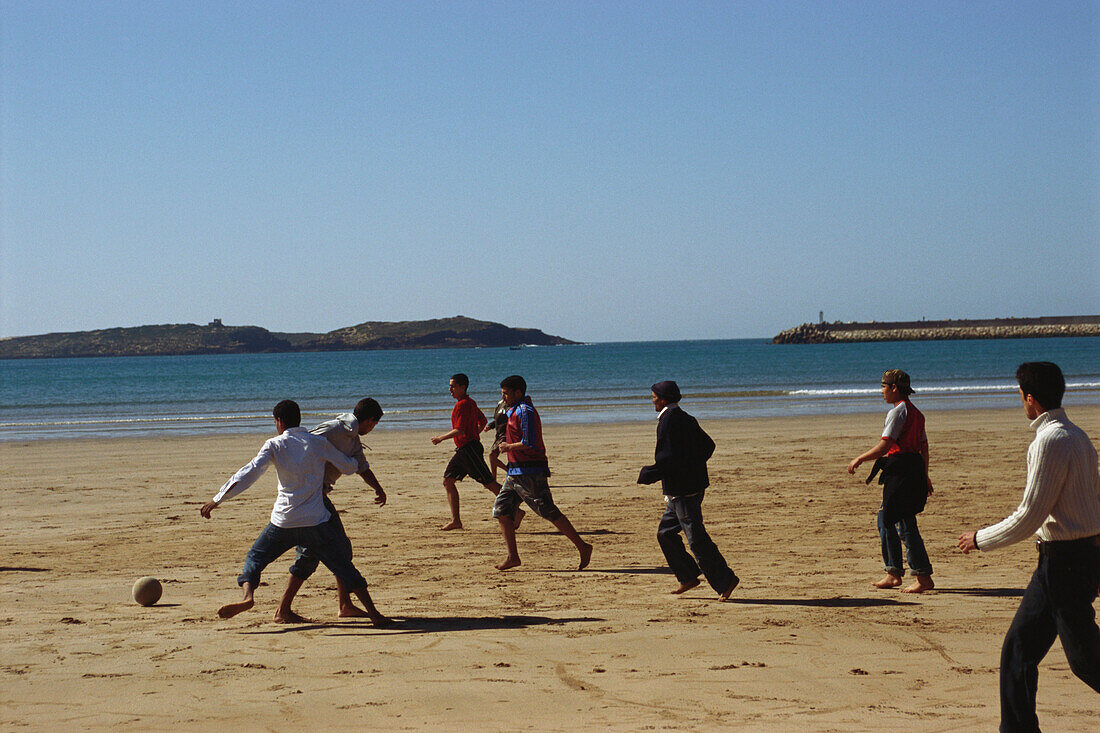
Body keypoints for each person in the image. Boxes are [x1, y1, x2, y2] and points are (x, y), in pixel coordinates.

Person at [957, 362, 1100, 732]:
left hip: (1064, 564)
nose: (1021, 402)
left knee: (1086, 661)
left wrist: (979, 539)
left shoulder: (1050, 441)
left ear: (1030, 399)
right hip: (1067, 560)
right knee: (1018, 652)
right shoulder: (1078, 435)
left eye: (1020, 396)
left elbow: (1029, 516)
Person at [199, 400, 389, 626]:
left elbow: (248, 473)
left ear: (278, 422)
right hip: (315, 519)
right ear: (299, 418)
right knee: (342, 563)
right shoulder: (319, 442)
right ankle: (374, 614)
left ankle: (248, 596)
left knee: (255, 558)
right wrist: (341, 461)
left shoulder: (274, 444)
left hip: (283, 521)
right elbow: (350, 467)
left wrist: (218, 498)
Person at [276, 398, 390, 621]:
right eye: (374, 424)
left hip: (319, 497)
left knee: (340, 549)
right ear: (369, 421)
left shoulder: (353, 440)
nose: (373, 429)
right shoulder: (334, 428)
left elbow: (361, 467)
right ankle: (283, 610)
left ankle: (344, 604)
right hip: (309, 498)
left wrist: (378, 488)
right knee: (312, 553)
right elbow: (303, 444)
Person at [638, 380, 739, 599]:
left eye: (654, 396)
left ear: (663, 399)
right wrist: (693, 467)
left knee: (696, 539)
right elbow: (707, 446)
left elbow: (667, 459)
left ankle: (726, 581)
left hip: (683, 491)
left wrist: (649, 474)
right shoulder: (685, 417)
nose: (652, 399)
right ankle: (688, 577)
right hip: (687, 488)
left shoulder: (668, 421)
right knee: (665, 534)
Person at [847, 369, 934, 593]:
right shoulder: (916, 412)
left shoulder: (898, 412)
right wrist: (924, 475)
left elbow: (885, 445)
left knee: (903, 523)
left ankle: (922, 576)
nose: (882, 391)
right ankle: (893, 572)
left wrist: (860, 458)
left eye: (884, 386)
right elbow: (923, 447)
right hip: (911, 468)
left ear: (895, 387)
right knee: (886, 518)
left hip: (902, 470)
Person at [493, 374, 592, 571]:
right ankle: (513, 556)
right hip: (514, 472)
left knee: (548, 511)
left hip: (530, 471)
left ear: (518, 393)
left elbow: (530, 442)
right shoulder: (512, 409)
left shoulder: (525, 411)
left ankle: (582, 546)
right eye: (502, 393)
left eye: (506, 394)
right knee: (501, 510)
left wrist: (508, 447)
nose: (503, 397)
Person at [431, 373, 506, 530]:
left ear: (462, 387)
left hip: (469, 450)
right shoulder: (469, 402)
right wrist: (473, 433)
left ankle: (515, 510)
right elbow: (483, 421)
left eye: (453, 386)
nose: (450, 389)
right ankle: (456, 521)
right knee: (448, 481)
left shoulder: (463, 404)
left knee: (489, 483)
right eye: (450, 385)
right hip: (465, 449)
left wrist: (441, 438)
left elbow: (459, 430)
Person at [484, 396, 510, 481]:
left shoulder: (512, 405)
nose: (503, 395)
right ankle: (494, 478)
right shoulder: (500, 404)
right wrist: (490, 426)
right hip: (499, 434)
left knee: (492, 455)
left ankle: (509, 472)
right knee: (493, 456)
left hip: (507, 434)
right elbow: (497, 420)